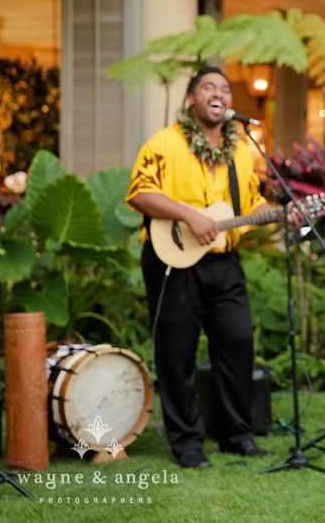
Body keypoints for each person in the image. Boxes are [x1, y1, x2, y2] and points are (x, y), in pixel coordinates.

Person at [126, 67, 299, 468]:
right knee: (177, 355)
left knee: (238, 344)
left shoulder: (241, 150)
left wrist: (283, 213)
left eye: (224, 88)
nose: (218, 93)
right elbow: (139, 191)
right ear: (191, 99)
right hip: (173, 261)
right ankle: (188, 445)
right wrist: (188, 215)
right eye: (208, 87)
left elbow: (249, 205)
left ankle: (237, 436)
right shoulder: (165, 144)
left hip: (225, 262)